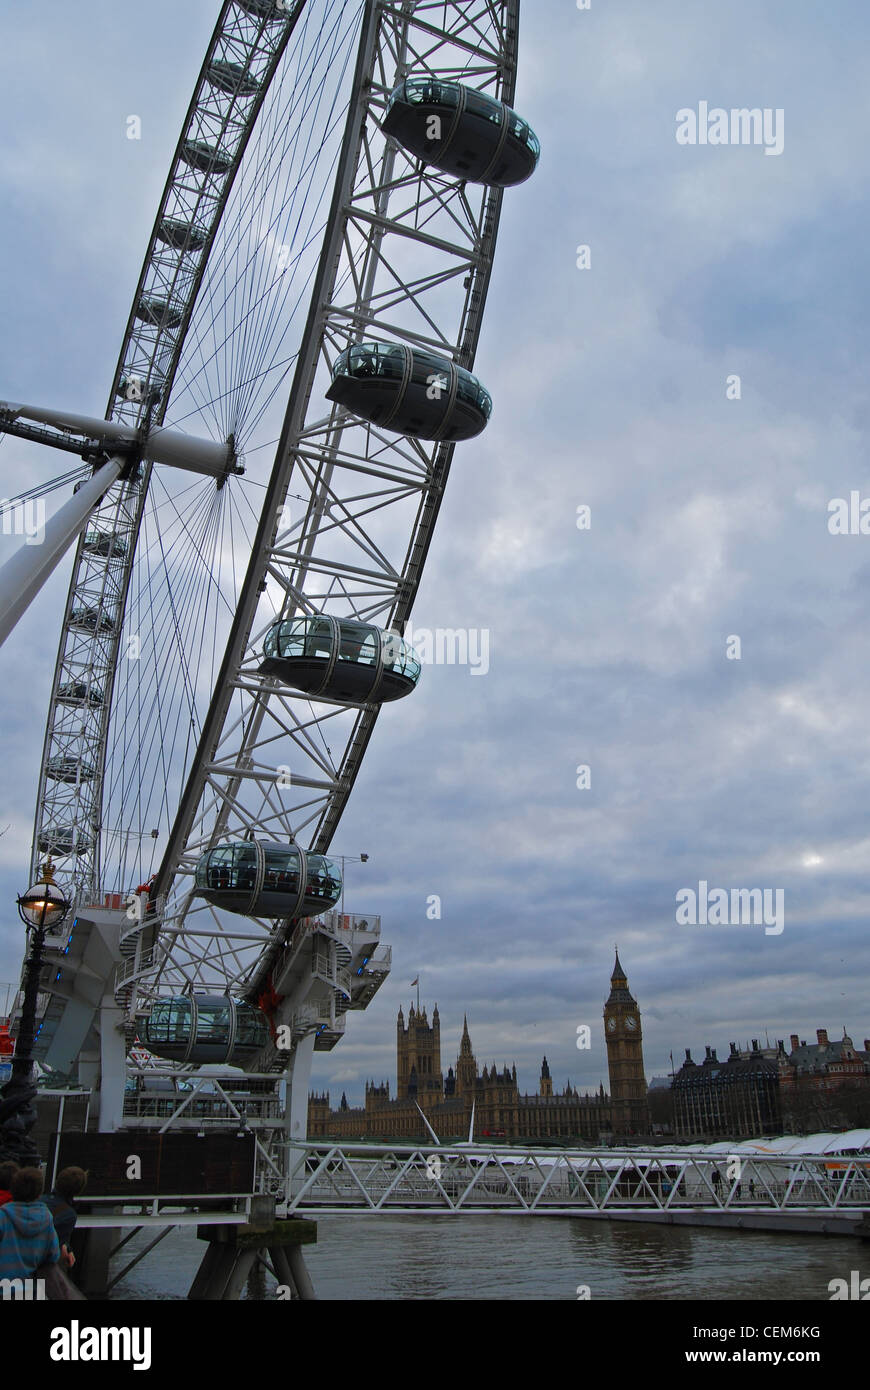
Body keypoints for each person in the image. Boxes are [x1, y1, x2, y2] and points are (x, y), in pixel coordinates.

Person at [0, 1165, 59, 1280]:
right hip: (32, 1289)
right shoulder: (47, 1219)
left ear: (13, 1189)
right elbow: (53, 1256)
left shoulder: (3, 1216)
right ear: (39, 1193)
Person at [44, 1166, 88, 1262]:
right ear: (78, 1191)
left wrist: (67, 1247)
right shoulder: (68, 1215)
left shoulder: (38, 1200)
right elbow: (55, 1246)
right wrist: (66, 1249)